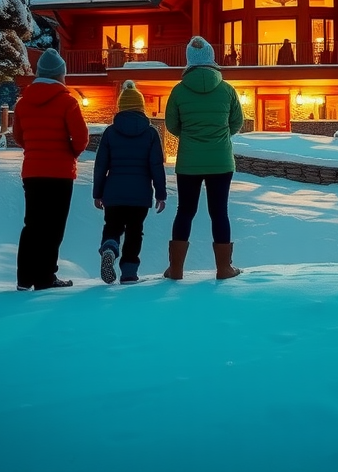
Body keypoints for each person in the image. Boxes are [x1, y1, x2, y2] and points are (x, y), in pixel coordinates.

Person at [163, 35, 245, 280]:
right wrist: (218, 136)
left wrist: (191, 136)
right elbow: (237, 122)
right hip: (221, 161)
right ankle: (224, 268)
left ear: (189, 61)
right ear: (211, 58)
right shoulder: (227, 89)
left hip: (188, 162)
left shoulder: (178, 91)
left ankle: (176, 269)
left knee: (185, 212)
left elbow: (171, 125)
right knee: (219, 212)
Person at [12, 48, 90, 291]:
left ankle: (24, 278)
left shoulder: (23, 103)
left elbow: (18, 136)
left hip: (33, 172)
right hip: (60, 174)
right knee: (53, 227)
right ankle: (45, 276)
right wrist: (70, 153)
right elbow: (81, 138)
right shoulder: (68, 102)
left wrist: (35, 150)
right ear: (60, 75)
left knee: (32, 224)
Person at [93, 80, 167, 284]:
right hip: (140, 195)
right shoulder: (151, 133)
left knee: (112, 226)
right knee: (135, 232)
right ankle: (129, 272)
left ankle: (109, 248)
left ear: (121, 106)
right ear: (141, 107)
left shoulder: (110, 132)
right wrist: (160, 194)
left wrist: (97, 193)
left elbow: (101, 165)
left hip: (113, 194)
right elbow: (156, 166)